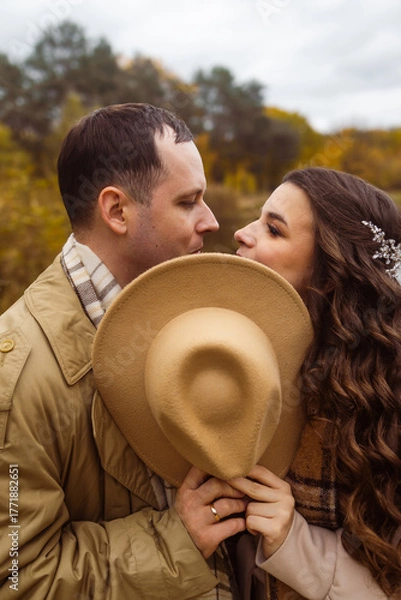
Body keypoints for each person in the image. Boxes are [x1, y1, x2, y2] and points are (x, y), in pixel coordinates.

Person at [0, 103, 248, 599]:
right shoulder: (18, 376)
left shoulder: (176, 317)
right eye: (188, 202)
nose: (212, 220)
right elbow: (17, 577)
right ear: (117, 211)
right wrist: (175, 541)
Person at [232, 167, 401, 599]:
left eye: (273, 229)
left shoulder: (385, 407)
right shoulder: (231, 356)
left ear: (328, 275)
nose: (241, 233)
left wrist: (294, 542)